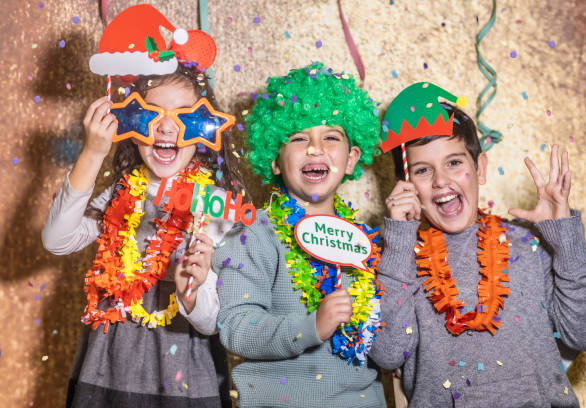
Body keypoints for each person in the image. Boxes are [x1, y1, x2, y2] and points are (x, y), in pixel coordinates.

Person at [42, 6, 243, 406]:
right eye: (152, 115)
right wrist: (92, 154)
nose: (166, 128)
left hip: (185, 373)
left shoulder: (218, 206)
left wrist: (193, 288)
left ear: (203, 129)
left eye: (183, 117)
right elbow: (56, 240)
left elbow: (210, 323)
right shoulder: (121, 192)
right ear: (131, 124)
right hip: (110, 364)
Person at [370, 82, 586, 407]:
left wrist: (565, 238)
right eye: (423, 170)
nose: (441, 181)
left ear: (479, 168)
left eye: (454, 163)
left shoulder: (528, 242)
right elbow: (388, 354)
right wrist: (398, 239)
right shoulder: (397, 256)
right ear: (406, 185)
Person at [213, 62, 387, 407]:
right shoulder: (254, 233)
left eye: (331, 137)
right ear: (275, 160)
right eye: (298, 138)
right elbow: (236, 327)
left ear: (352, 158)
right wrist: (312, 326)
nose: (314, 148)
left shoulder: (367, 243)